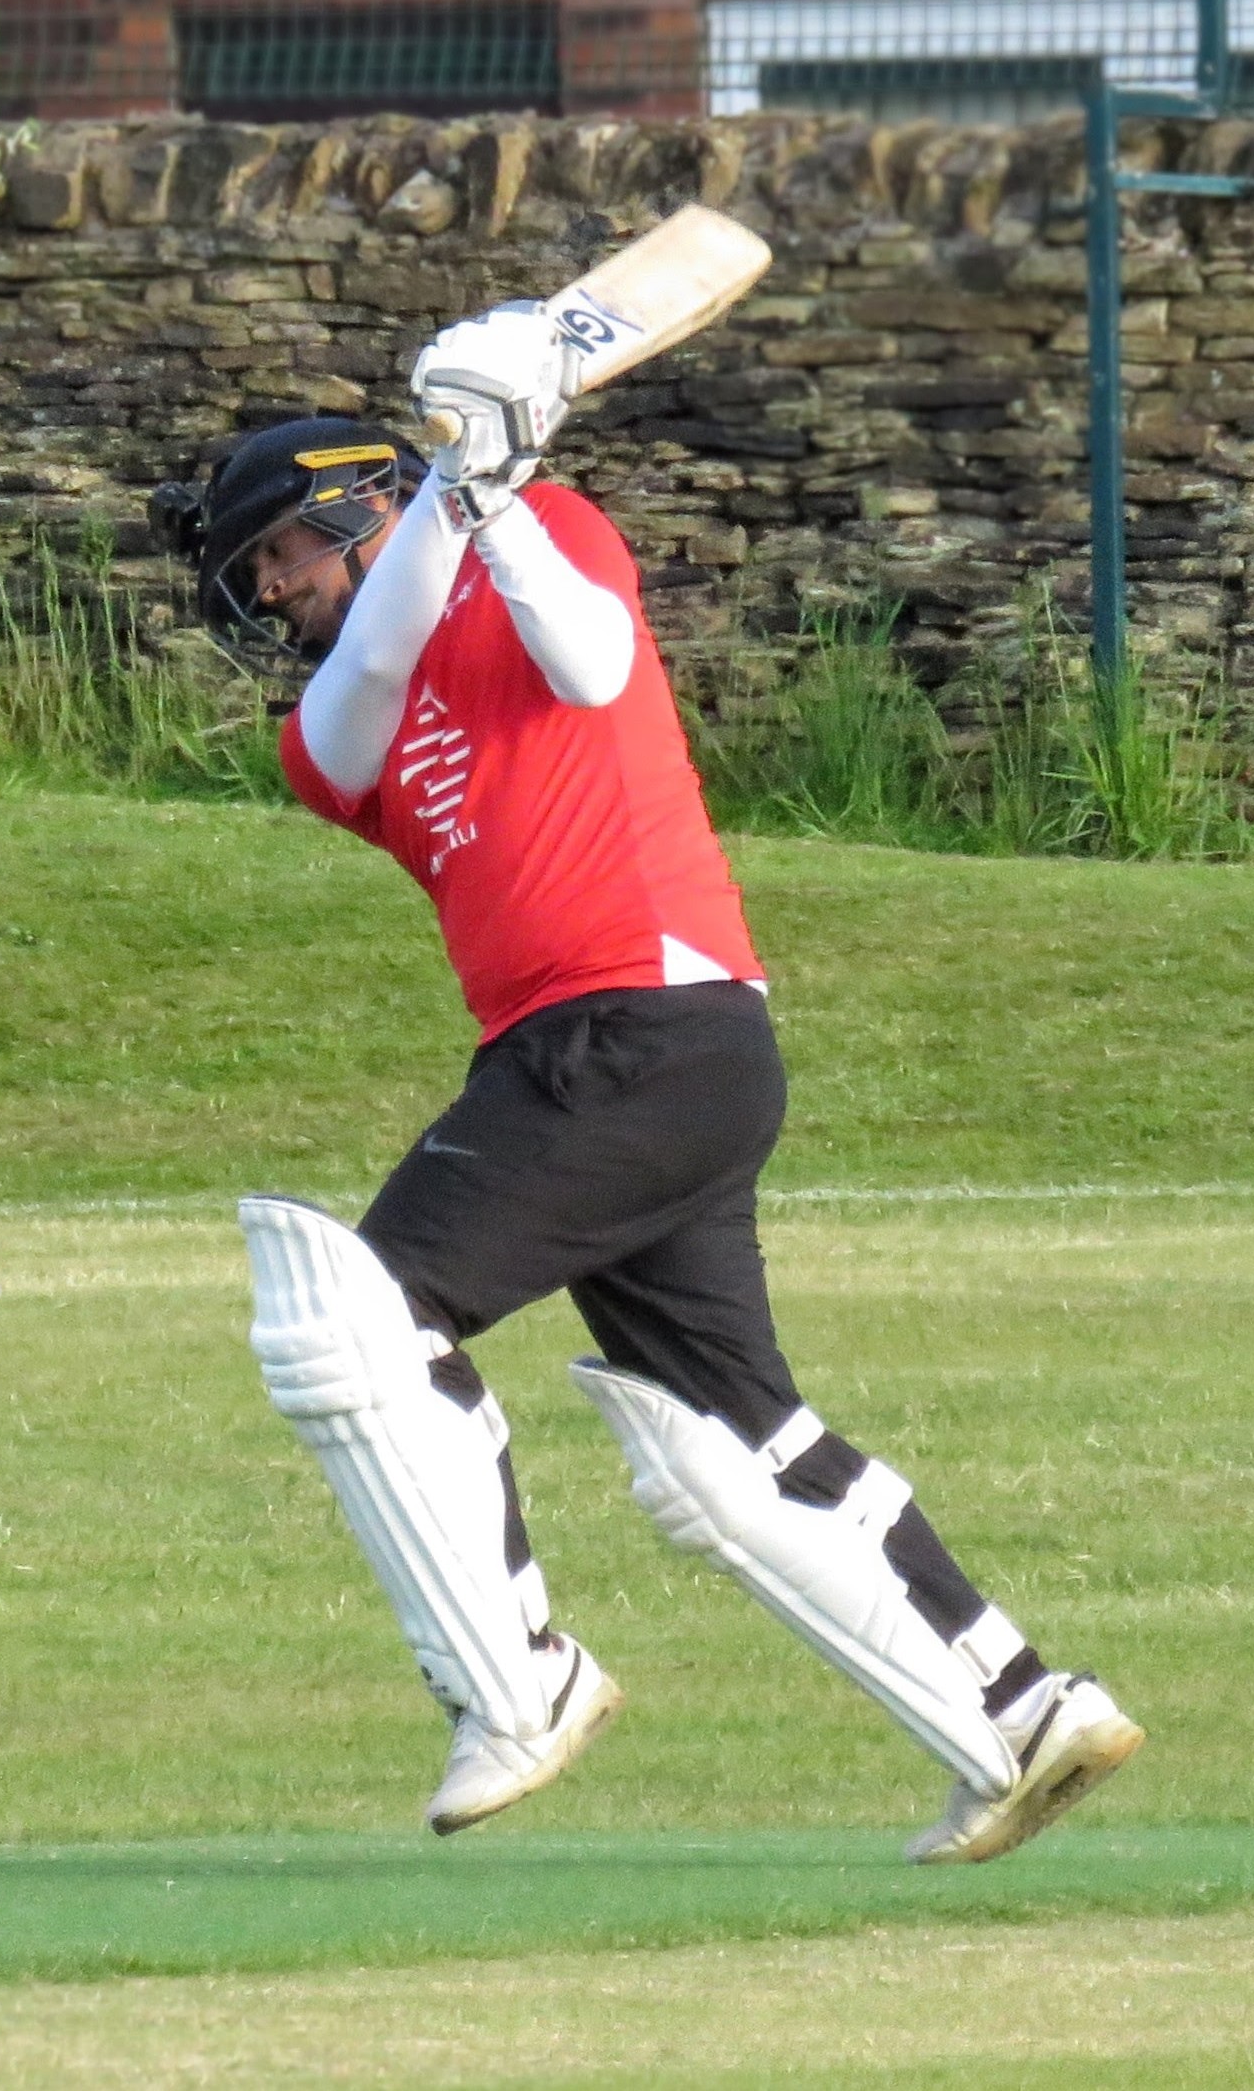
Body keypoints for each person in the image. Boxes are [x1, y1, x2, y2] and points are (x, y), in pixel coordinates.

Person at [170, 310, 1139, 1863]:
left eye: (279, 550)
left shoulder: (544, 536)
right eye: (253, 579)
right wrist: (458, 471)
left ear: (354, 500)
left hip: (641, 1030)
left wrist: (491, 482)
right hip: (619, 1060)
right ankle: (1018, 1709)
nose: (269, 590)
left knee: (354, 1317)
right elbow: (374, 663)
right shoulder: (328, 730)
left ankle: (522, 1686)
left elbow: (595, 656)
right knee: (726, 1447)